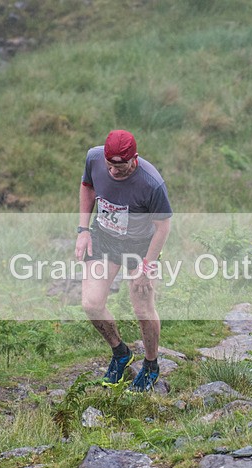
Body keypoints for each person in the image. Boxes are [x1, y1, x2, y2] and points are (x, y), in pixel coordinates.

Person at [75, 129, 172, 392]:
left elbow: (163, 227)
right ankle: (121, 353)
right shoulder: (94, 158)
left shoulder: (151, 183)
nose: (115, 173)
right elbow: (87, 186)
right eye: (110, 167)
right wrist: (83, 230)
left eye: (122, 167)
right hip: (104, 239)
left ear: (135, 159)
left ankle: (151, 365)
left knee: (142, 308)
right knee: (91, 304)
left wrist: (147, 266)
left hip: (139, 247)